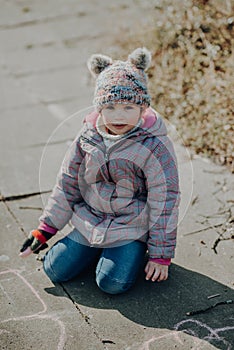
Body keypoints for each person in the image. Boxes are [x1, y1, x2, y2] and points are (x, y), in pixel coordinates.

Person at [19, 47, 180, 295]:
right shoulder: (88, 136)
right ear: (100, 108)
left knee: (111, 283)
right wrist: (46, 228)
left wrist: (160, 255)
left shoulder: (155, 146)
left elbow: (165, 199)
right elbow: (68, 182)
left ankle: (132, 251)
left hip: (130, 227)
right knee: (54, 269)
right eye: (111, 107)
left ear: (143, 109)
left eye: (128, 107)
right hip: (91, 220)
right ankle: (97, 249)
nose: (119, 115)